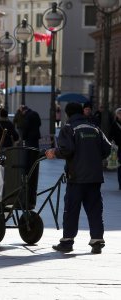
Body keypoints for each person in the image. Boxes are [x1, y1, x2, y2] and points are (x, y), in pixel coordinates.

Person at [45, 102, 111, 254]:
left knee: (71, 209)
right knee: (95, 209)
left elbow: (67, 150)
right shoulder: (95, 128)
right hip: (94, 177)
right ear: (81, 112)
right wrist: (93, 157)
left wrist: (55, 152)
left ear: (67, 114)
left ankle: (67, 242)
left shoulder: (69, 128)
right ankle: (97, 241)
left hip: (77, 177)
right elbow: (107, 149)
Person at [109, 108, 121, 190]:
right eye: (119, 113)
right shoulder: (114, 124)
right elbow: (111, 135)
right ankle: (120, 183)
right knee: (120, 166)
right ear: (116, 115)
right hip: (118, 147)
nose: (120, 115)